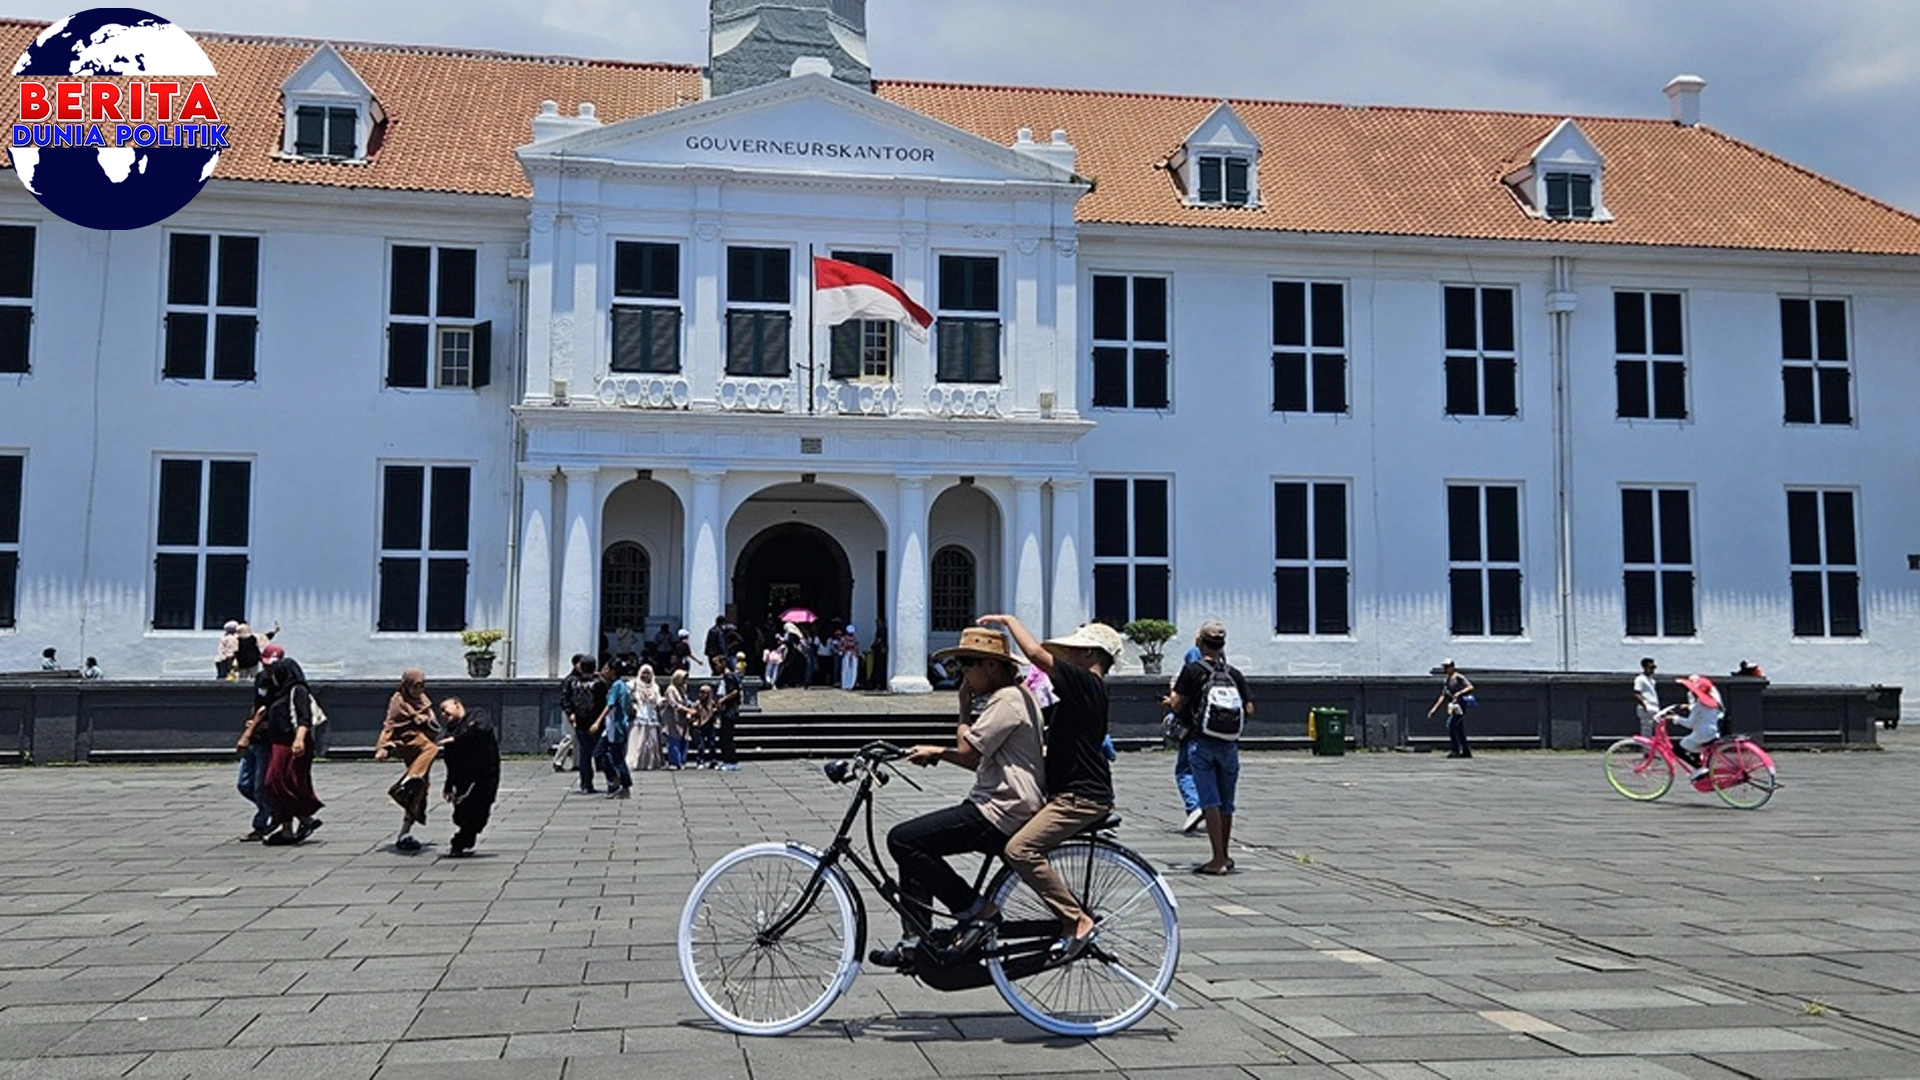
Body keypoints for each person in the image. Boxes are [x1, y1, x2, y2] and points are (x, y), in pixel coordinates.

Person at [869, 626, 1046, 970]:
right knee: (915, 846)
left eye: (967, 665)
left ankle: (976, 910)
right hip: (999, 802)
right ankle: (914, 943)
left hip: (1002, 809)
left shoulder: (1007, 699)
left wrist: (959, 715)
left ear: (991, 666)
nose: (963, 674)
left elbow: (968, 752)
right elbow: (978, 757)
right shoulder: (1015, 696)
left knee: (903, 840)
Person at [979, 614, 1121, 960]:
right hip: (1068, 792)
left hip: (1081, 797)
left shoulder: (1087, 682)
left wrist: (1008, 620)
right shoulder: (1081, 693)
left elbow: (1035, 654)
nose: (1067, 659)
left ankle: (1076, 919)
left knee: (1020, 850)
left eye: (1073, 652)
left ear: (1090, 654)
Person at [1166, 620, 1252, 876]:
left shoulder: (1192, 670)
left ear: (1199, 643)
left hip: (1201, 742)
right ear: (1222, 645)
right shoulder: (1234, 674)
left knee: (1209, 801)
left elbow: (1177, 704)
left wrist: (1170, 699)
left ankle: (1217, 860)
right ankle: (1225, 854)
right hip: (1229, 745)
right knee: (1227, 803)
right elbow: (1249, 709)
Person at [257, 644, 323, 845]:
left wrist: (299, 739)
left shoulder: (298, 690)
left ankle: (305, 817)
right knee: (280, 785)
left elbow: (304, 718)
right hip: (278, 743)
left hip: (290, 744)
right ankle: (287, 830)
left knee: (276, 783)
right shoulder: (278, 693)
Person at [376, 669, 440, 852]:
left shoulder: (423, 699)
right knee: (431, 749)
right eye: (415, 686)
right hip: (408, 740)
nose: (418, 690)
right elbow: (389, 725)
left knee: (420, 789)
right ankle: (407, 781)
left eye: (422, 686)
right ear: (406, 685)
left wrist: (425, 719)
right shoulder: (398, 700)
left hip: (422, 740)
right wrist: (382, 747)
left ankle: (404, 833)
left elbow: (433, 721)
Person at [437, 697, 499, 857]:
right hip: (464, 776)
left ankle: (463, 840)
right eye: (441, 712)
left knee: (481, 810)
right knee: (462, 813)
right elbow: (450, 761)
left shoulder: (477, 714)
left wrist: (457, 739)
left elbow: (481, 730)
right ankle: (464, 838)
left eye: (445, 709)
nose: (443, 714)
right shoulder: (449, 731)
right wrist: (448, 785)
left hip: (486, 772)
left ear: (457, 705)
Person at [1169, 635, 1206, 835]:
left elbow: (1179, 701)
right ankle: (1214, 810)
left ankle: (1195, 807)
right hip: (1218, 731)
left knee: (1184, 770)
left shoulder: (1192, 669)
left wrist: (1171, 705)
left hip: (1193, 728)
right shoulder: (1225, 669)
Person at [233, 691, 275, 842]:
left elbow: (266, 712)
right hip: (254, 742)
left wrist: (252, 729)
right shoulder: (261, 690)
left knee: (260, 788)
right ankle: (274, 810)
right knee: (244, 784)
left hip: (265, 743)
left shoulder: (277, 693)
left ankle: (261, 825)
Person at [591, 658, 634, 799]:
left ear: (613, 671)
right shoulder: (617, 685)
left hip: (616, 727)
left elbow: (610, 705)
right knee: (599, 753)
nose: (603, 671)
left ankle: (624, 786)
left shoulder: (617, 686)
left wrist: (597, 722)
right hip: (610, 727)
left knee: (617, 758)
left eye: (606, 669)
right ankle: (614, 780)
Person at [561, 654, 603, 795]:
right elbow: (602, 703)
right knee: (601, 751)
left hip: (581, 721)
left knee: (585, 753)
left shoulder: (573, 683)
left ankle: (585, 783)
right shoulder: (598, 683)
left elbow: (566, 699)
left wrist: (571, 713)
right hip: (596, 721)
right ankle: (612, 778)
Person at [1673, 674, 1725, 781]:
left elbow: (1689, 724)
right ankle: (1701, 766)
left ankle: (1699, 768)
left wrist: (1676, 719)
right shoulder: (1713, 703)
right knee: (1693, 744)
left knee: (1677, 749)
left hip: (1702, 734)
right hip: (1713, 732)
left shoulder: (1699, 705)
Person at [1427, 659, 1475, 759]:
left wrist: (1459, 693)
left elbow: (1470, 687)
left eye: (1447, 667)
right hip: (1453, 705)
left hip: (1460, 705)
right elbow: (1443, 695)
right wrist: (1434, 709)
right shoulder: (1447, 680)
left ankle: (1455, 749)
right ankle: (1466, 750)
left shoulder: (1459, 677)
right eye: (1444, 667)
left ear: (1452, 667)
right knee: (1459, 728)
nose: (1445, 669)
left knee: (1451, 725)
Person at [629, 664, 665, 771]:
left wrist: (663, 702)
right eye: (644, 673)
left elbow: (658, 700)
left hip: (651, 714)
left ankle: (650, 762)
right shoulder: (634, 684)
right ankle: (636, 761)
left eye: (648, 673)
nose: (645, 675)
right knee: (638, 739)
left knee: (651, 740)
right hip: (639, 714)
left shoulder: (655, 687)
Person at [716, 654, 744, 771]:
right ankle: (726, 760)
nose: (716, 667)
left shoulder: (729, 676)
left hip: (729, 710)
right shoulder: (725, 676)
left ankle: (731, 761)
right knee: (724, 736)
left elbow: (734, 692)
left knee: (727, 736)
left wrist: (722, 700)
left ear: (723, 663)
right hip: (726, 710)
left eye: (717, 664)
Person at [662, 668, 694, 770]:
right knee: (674, 739)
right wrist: (687, 710)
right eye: (683, 679)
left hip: (683, 718)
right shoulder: (671, 689)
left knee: (684, 738)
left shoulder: (683, 688)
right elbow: (673, 703)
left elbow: (686, 701)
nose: (685, 681)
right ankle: (674, 761)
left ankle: (682, 760)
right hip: (673, 717)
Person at [690, 683, 720, 769]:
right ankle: (700, 760)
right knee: (701, 745)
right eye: (701, 692)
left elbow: (717, 712)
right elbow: (693, 713)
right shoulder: (698, 703)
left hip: (710, 725)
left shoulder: (712, 703)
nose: (702, 694)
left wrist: (715, 712)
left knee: (712, 744)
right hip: (700, 725)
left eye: (704, 692)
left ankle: (713, 761)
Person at [1633, 657, 1661, 738]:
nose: (1653, 670)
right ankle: (1646, 745)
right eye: (1651, 667)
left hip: (1655, 706)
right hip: (1647, 706)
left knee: (1658, 728)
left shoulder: (1652, 680)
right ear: (1645, 667)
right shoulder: (1640, 679)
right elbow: (1637, 693)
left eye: (1654, 667)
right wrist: (1645, 705)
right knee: (1647, 729)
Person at [837, 625, 861, 691]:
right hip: (848, 655)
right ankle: (848, 685)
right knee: (847, 670)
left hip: (851, 655)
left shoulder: (851, 639)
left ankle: (848, 685)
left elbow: (841, 648)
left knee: (849, 670)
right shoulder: (848, 639)